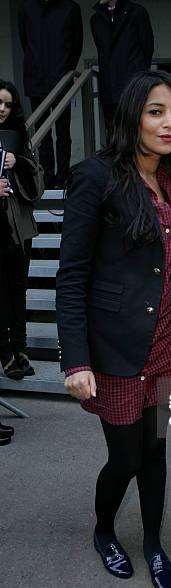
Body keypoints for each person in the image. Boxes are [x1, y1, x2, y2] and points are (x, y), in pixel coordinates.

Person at [56, 70, 171, 588]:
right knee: (126, 457)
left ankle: (154, 542)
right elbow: (70, 274)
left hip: (166, 344)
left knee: (156, 452)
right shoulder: (97, 176)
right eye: (156, 111)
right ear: (132, 114)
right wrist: (75, 358)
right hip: (114, 348)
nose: (169, 123)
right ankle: (105, 531)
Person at [0, 81, 43, 381]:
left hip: (20, 227)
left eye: (7, 104)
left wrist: (20, 164)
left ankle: (21, 350)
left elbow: (36, 187)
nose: (2, 109)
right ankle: (5, 354)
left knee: (18, 290)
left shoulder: (17, 139)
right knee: (1, 294)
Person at [18, 0, 83, 188]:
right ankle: (46, 175)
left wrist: (65, 69)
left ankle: (63, 176)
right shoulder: (26, 8)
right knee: (42, 134)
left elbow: (76, 45)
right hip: (36, 79)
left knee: (63, 132)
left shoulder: (70, 8)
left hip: (61, 79)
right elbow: (25, 42)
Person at [91, 0, 154, 138]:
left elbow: (147, 48)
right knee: (113, 134)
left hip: (134, 87)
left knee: (136, 133)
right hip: (109, 88)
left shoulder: (137, 12)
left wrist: (139, 79)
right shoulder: (95, 19)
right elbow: (102, 51)